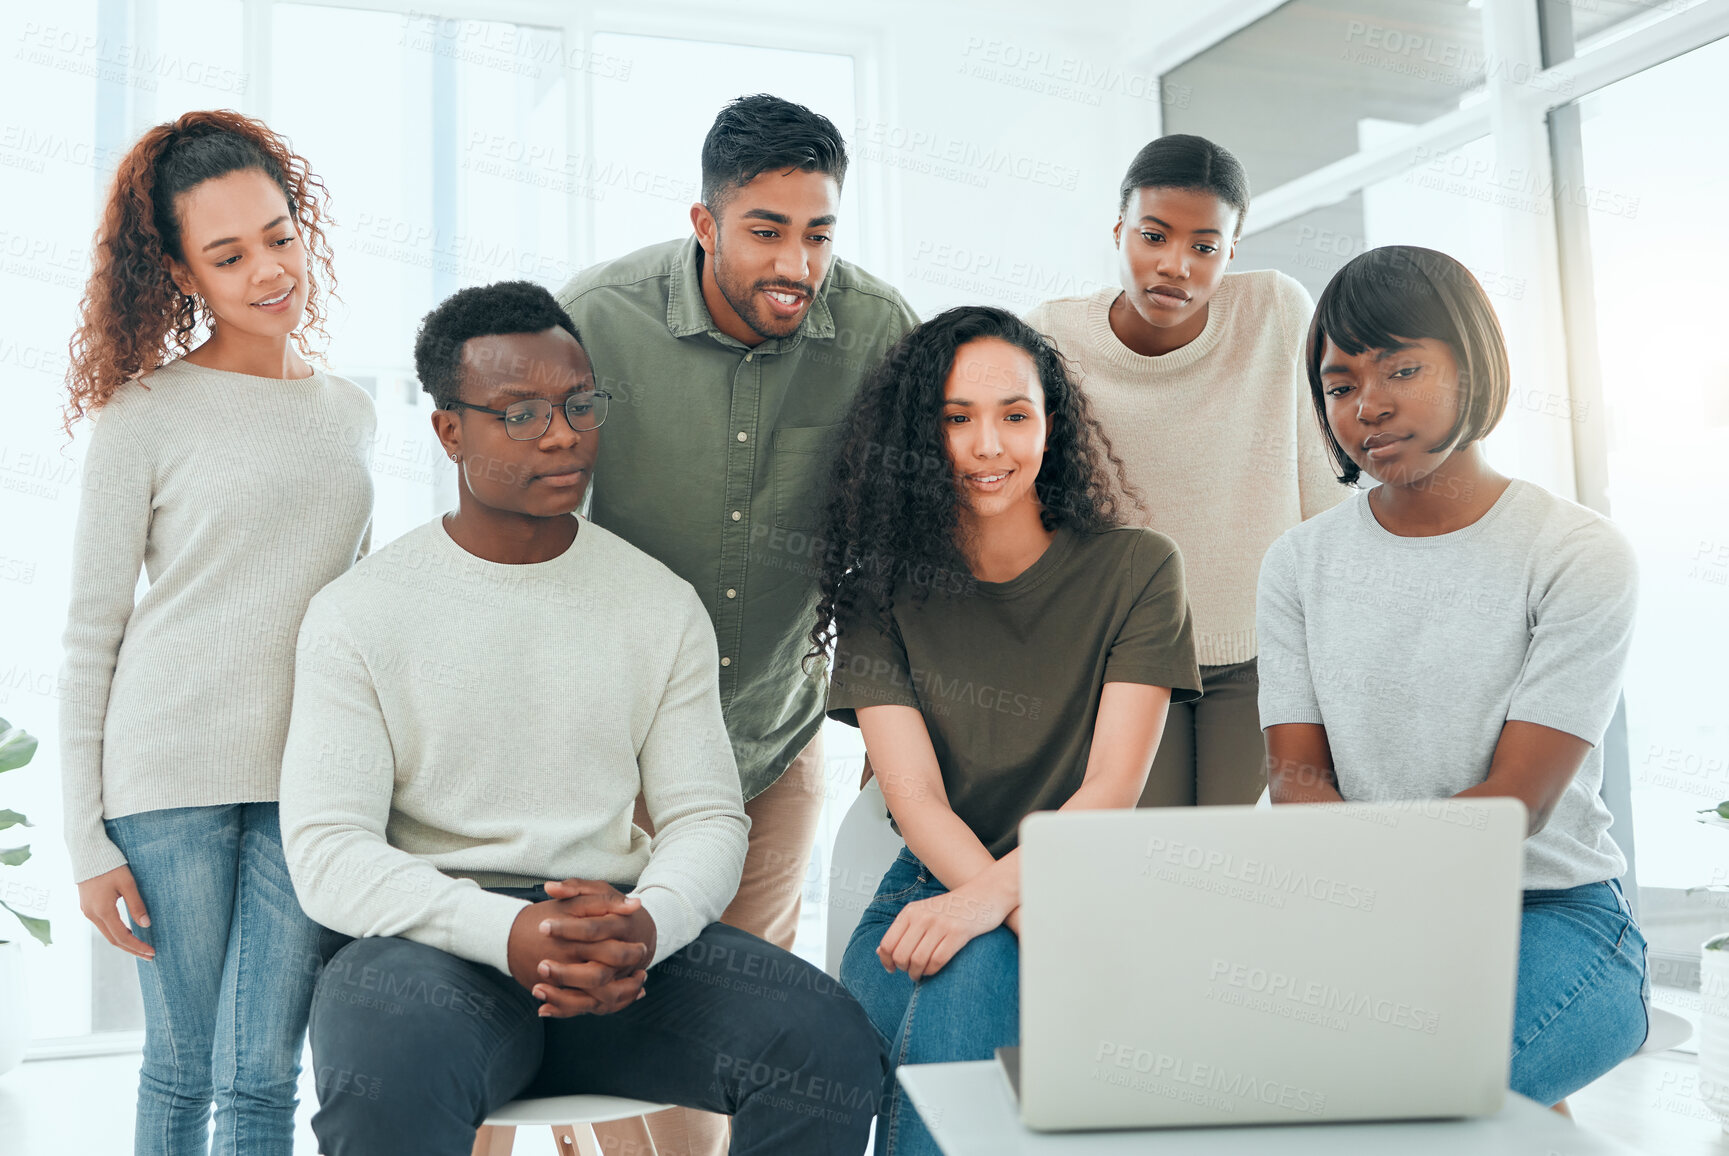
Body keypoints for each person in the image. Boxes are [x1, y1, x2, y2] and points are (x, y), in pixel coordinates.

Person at [278, 281, 883, 1156]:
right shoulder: (359, 614)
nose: (561, 433)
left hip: (622, 944)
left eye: (576, 404)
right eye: (517, 413)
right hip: (434, 952)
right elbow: (329, 853)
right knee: (388, 1074)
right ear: (451, 431)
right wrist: (509, 931)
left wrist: (651, 923)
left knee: (826, 1043)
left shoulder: (656, 603)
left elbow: (705, 815)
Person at [554, 93, 916, 1153]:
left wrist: (888, 736)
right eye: (766, 231)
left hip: (770, 736)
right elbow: (535, 540)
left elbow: (895, 549)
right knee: (625, 1002)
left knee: (731, 1018)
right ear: (703, 223)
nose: (796, 265)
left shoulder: (877, 329)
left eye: (818, 232)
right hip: (611, 752)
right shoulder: (591, 320)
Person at [1257, 245, 1649, 1109]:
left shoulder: (1576, 553)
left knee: (1405, 1099)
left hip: (1549, 914)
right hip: (1354, 908)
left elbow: (1517, 802)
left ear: (1473, 367)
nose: (1370, 406)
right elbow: (1296, 781)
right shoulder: (1297, 564)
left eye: (1402, 367)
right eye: (1339, 384)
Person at [56, 111, 373, 1155]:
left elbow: (357, 612)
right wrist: (84, 838)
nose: (267, 270)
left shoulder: (350, 411)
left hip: (307, 783)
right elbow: (91, 634)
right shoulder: (144, 410)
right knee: (185, 1067)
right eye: (228, 255)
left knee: (264, 1076)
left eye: (279, 236)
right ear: (183, 274)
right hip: (166, 779)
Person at [812, 306, 1202, 1156]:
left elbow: (1109, 790)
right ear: (920, 438)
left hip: (1078, 888)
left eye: (1014, 415)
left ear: (1049, 426)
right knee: (823, 1063)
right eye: (956, 420)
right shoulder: (875, 588)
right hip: (926, 887)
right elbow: (912, 797)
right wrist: (983, 903)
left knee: (968, 972)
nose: (989, 447)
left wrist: (992, 904)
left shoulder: (1137, 570)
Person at [1025, 134, 1345, 809]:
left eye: (1203, 246)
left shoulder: (1277, 313)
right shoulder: (1049, 337)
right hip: (1124, 659)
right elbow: (1028, 516)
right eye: (1153, 236)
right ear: (1119, 230)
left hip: (1265, 654)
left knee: (1237, 869)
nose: (1175, 265)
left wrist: (1337, 649)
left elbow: (1325, 491)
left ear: (1231, 250)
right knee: (1156, 863)